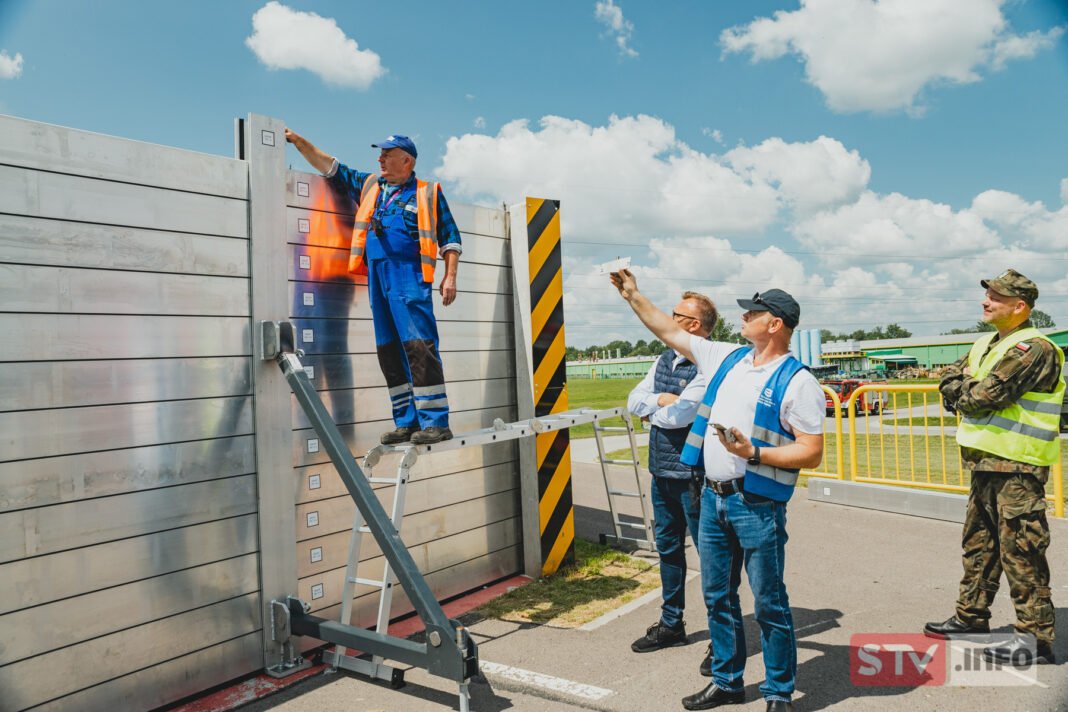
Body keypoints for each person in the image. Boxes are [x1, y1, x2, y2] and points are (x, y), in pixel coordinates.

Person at [611, 270, 824, 712]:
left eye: (753, 312)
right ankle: (727, 682)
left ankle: (779, 693)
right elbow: (669, 330)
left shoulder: (799, 381)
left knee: (769, 602)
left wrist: (755, 453)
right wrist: (632, 294)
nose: (743, 316)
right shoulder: (729, 358)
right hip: (711, 497)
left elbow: (811, 451)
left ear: (775, 324)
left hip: (756, 503)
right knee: (718, 597)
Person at [286, 128, 460, 445]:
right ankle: (406, 421)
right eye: (379, 154)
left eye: (387, 154)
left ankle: (436, 421)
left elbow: (451, 239)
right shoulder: (370, 187)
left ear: (406, 161)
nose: (380, 159)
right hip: (378, 279)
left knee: (419, 347)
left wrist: (450, 277)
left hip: (409, 277)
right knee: (388, 350)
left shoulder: (427, 193)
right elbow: (331, 167)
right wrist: (299, 142)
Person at [925, 269, 1064, 666]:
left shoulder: (1035, 348)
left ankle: (1034, 640)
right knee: (979, 546)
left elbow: (986, 396)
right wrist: (962, 385)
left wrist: (964, 388)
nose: (986, 301)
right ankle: (971, 617)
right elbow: (949, 379)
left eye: (996, 297)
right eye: (987, 295)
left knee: (1022, 552)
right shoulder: (985, 343)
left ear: (1020, 306)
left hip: (1018, 466)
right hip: (985, 462)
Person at [627, 292, 714, 656]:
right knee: (669, 551)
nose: (668, 318)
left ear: (693, 325)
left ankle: (721, 639)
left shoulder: (708, 364)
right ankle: (671, 624)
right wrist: (659, 402)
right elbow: (633, 400)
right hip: (661, 473)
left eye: (676, 314)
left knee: (711, 559)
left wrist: (652, 410)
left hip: (694, 478)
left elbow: (681, 416)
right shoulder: (665, 358)